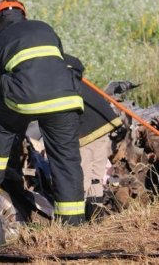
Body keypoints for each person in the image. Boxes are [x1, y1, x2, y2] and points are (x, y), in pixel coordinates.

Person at [0, 0, 85, 226]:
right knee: (66, 160)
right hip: (65, 100)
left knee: (1, 126)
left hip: (25, 100)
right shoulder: (45, 28)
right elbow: (65, 62)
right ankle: (73, 224)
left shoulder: (1, 42)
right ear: (23, 14)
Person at [63, 54, 124, 221]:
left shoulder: (58, 82)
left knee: (82, 176)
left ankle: (79, 221)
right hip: (104, 125)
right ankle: (96, 218)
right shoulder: (77, 77)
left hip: (85, 132)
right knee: (96, 175)